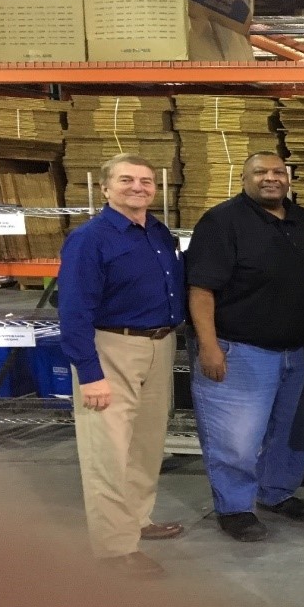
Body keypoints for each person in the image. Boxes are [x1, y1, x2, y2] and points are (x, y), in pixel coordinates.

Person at [186, 151, 304, 542]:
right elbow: (201, 289)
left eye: (277, 172)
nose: (270, 178)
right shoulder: (221, 222)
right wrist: (208, 346)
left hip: (299, 351)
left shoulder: (302, 220)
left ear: (288, 178)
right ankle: (235, 508)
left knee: (293, 432)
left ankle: (277, 492)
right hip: (239, 349)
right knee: (235, 438)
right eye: (260, 172)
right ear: (243, 178)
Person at [58, 153, 185, 578]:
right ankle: (115, 549)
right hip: (112, 348)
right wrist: (90, 374)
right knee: (108, 451)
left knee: (146, 444)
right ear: (107, 187)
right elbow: (74, 310)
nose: (138, 187)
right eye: (127, 180)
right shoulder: (90, 239)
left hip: (159, 344)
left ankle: (137, 520)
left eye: (146, 181)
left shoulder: (158, 232)